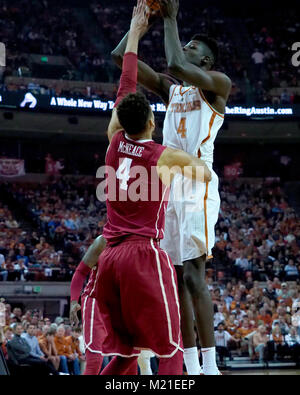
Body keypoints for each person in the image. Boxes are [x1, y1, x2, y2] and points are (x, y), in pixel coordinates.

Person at [112, 0, 231, 375]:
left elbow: (177, 63)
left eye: (194, 48)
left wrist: (173, 18)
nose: (185, 51)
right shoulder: (172, 91)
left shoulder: (217, 86)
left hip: (198, 182)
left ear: (207, 63)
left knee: (194, 273)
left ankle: (210, 365)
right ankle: (189, 363)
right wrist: (139, 25)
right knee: (176, 275)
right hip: (168, 182)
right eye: (187, 44)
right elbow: (120, 57)